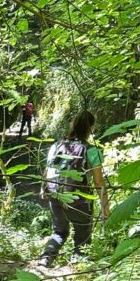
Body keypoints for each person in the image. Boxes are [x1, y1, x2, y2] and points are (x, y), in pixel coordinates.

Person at [37, 111, 110, 267]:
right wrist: (105, 207)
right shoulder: (91, 150)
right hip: (79, 200)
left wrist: (43, 189)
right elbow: (98, 181)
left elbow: (47, 169)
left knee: (59, 232)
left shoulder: (56, 145)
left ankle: (45, 259)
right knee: (82, 234)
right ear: (90, 128)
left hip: (56, 196)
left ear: (72, 125)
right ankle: (77, 266)